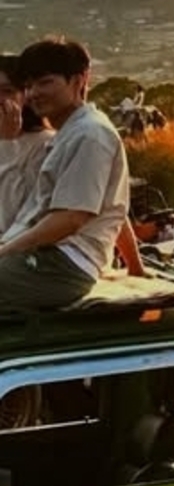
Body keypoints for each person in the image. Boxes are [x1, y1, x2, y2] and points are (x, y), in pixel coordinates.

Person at [0, 37, 130, 316]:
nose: (35, 93)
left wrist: (6, 251)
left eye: (46, 82)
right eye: (30, 85)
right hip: (48, 258)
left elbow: (71, 218)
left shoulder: (90, 135)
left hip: (60, 264)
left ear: (79, 80)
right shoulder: (69, 134)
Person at [0, 53, 52, 233]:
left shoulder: (44, 143)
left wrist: (7, 145)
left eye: (7, 91)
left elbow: (14, 218)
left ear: (25, 96)